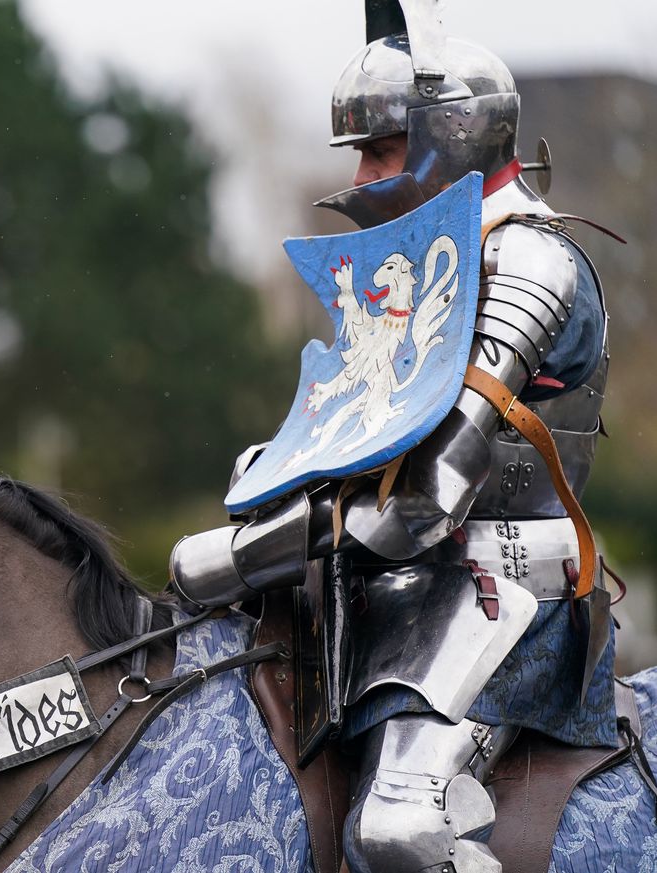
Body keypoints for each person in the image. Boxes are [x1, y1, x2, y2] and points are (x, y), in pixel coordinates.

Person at [169, 2, 615, 871]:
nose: (365, 173)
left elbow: (424, 495)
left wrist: (234, 555)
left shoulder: (530, 261)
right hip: (377, 586)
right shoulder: (412, 261)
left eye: (380, 148)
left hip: (497, 591)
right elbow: (350, 438)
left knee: (398, 833)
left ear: (452, 133)